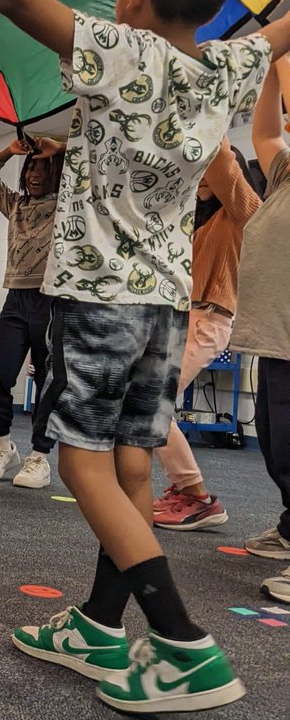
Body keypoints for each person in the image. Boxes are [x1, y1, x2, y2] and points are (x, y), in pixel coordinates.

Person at [0, 0, 290, 713]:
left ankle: (183, 645)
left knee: (83, 463)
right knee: (131, 460)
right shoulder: (226, 64)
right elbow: (278, 33)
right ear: (213, 4)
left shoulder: (119, 53)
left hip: (97, 300)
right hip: (163, 305)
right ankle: (101, 626)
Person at [151, 139, 260, 530]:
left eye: (206, 177)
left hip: (210, 319)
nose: (200, 180)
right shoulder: (196, 221)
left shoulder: (244, 214)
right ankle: (186, 491)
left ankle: (197, 496)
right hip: (182, 318)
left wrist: (208, 123)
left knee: (152, 403)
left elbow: (223, 166)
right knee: (147, 402)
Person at [231, 57, 290, 604]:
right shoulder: (287, 174)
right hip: (276, 337)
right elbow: (267, 131)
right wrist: (273, 67)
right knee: (276, 445)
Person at [0, 134, 63, 488]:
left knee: (47, 383)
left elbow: (94, 163)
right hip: (16, 300)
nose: (34, 174)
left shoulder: (67, 204)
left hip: (50, 300)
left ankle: (39, 457)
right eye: (30, 168)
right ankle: (3, 447)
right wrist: (10, 151)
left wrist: (60, 148)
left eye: (42, 168)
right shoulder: (15, 205)